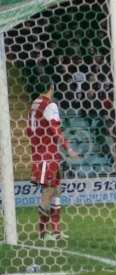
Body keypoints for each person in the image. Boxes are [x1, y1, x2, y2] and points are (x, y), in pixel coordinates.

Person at [26, 84, 79, 240]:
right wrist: (68, 148)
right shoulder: (50, 104)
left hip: (40, 152)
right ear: (51, 87)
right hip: (47, 155)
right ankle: (42, 233)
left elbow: (29, 130)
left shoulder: (34, 104)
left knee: (56, 190)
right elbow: (55, 129)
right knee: (48, 193)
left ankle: (56, 232)